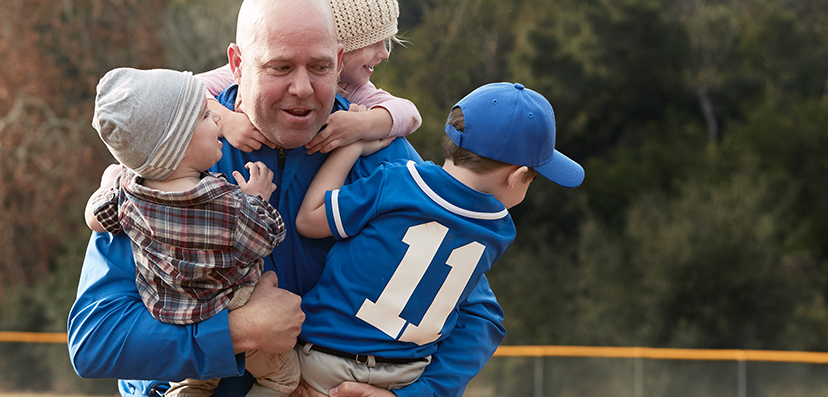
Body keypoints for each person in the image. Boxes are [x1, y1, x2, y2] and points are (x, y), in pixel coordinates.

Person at [67, 1, 505, 396]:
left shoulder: (383, 157)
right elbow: (95, 341)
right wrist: (237, 331)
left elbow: (477, 314)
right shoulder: (170, 159)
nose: (302, 88)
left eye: (318, 67)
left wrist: (414, 395)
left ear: (338, 64)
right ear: (238, 65)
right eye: (280, 68)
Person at [293, 82, 584, 394]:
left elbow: (309, 219)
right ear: (515, 177)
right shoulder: (498, 232)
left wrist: (351, 147)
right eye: (533, 178)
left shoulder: (397, 180)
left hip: (324, 363)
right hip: (407, 376)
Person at [83, 67, 297, 397]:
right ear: (179, 145)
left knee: (192, 381)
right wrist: (258, 198)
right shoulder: (226, 203)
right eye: (203, 117)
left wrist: (108, 182)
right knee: (283, 380)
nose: (217, 118)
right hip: (231, 305)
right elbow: (266, 237)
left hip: (171, 317)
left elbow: (96, 218)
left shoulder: (128, 196)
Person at [196, 0, 422, 155]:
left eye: (320, 66)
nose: (384, 53)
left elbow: (411, 115)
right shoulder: (247, 71)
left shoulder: (355, 90)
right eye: (281, 67)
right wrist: (226, 121)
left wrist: (360, 125)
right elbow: (190, 88)